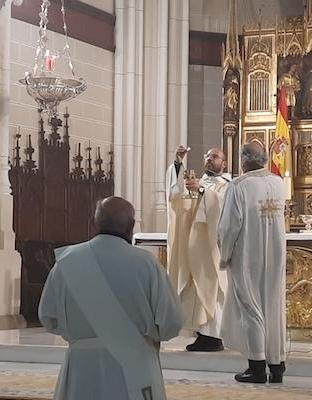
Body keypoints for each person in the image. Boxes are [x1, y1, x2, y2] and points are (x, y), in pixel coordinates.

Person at [39, 197, 184, 400]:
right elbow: (172, 322)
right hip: (134, 364)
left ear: (94, 223)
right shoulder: (145, 264)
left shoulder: (68, 262)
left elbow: (49, 317)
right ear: (131, 226)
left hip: (82, 367)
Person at [218, 143, 287, 384]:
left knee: (251, 308)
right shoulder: (279, 183)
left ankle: (257, 367)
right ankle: (277, 366)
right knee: (274, 306)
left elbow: (229, 226)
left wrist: (224, 254)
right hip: (275, 254)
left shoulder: (239, 186)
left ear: (244, 160)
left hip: (247, 254)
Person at [166, 146, 231, 352]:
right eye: (208, 156)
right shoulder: (197, 183)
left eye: (215, 156)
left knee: (212, 289)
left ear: (225, 163)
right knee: (196, 290)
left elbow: (223, 206)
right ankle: (203, 334)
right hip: (193, 246)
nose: (210, 159)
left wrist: (202, 192)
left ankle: (213, 336)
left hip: (212, 246)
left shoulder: (227, 186)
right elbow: (177, 199)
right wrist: (178, 165)